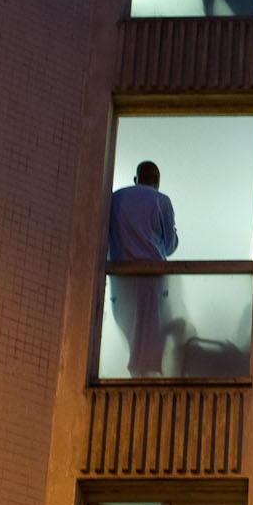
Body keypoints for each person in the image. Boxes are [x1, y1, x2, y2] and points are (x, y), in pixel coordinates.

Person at [107, 161, 179, 376]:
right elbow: (170, 246)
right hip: (151, 274)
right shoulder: (161, 200)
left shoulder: (115, 198)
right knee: (150, 327)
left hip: (120, 274)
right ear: (156, 181)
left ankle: (134, 370)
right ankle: (147, 373)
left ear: (136, 179)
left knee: (129, 324)